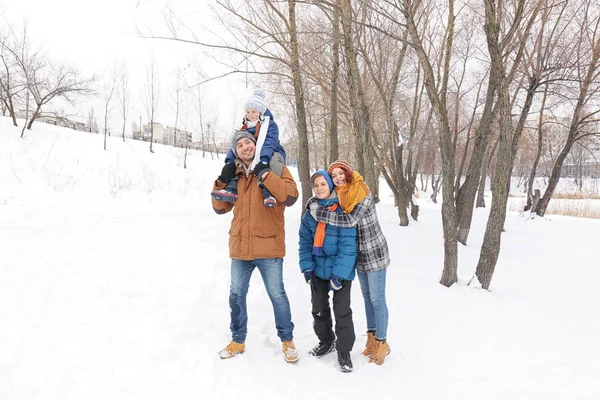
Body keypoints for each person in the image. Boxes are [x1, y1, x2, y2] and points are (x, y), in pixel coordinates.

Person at [212, 129, 299, 363]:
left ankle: (287, 340)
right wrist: (222, 179)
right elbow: (220, 208)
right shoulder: (235, 175)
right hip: (241, 247)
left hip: (268, 246)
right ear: (235, 151)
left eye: (247, 143)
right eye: (239, 145)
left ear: (255, 145)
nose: (244, 147)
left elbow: (290, 197)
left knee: (277, 295)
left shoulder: (275, 166)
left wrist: (266, 174)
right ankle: (238, 340)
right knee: (236, 295)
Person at [307, 160, 391, 365]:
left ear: (347, 172)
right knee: (367, 297)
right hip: (359, 255)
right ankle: (371, 338)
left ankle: (382, 342)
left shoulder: (360, 190)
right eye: (333, 176)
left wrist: (319, 213)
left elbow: (348, 221)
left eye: (340, 173)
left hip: (374, 253)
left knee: (377, 299)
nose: (337, 178)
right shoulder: (342, 195)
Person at [299, 170, 358, 373]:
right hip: (317, 270)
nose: (319, 188)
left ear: (330, 186)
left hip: (340, 272)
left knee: (342, 312)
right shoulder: (310, 213)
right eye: (316, 185)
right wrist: (307, 267)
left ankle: (344, 350)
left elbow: (348, 246)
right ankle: (326, 341)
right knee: (319, 309)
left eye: (323, 184)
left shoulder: (343, 211)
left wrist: (339, 274)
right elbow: (304, 242)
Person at [211, 88, 286, 208]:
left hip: (272, 151)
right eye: (248, 112)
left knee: (274, 162)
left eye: (254, 111)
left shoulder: (270, 125)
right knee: (237, 163)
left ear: (261, 112)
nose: (250, 115)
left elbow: (270, 142)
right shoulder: (245, 126)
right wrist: (229, 162)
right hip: (255, 154)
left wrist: (264, 159)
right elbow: (236, 145)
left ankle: (268, 191)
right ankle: (231, 188)